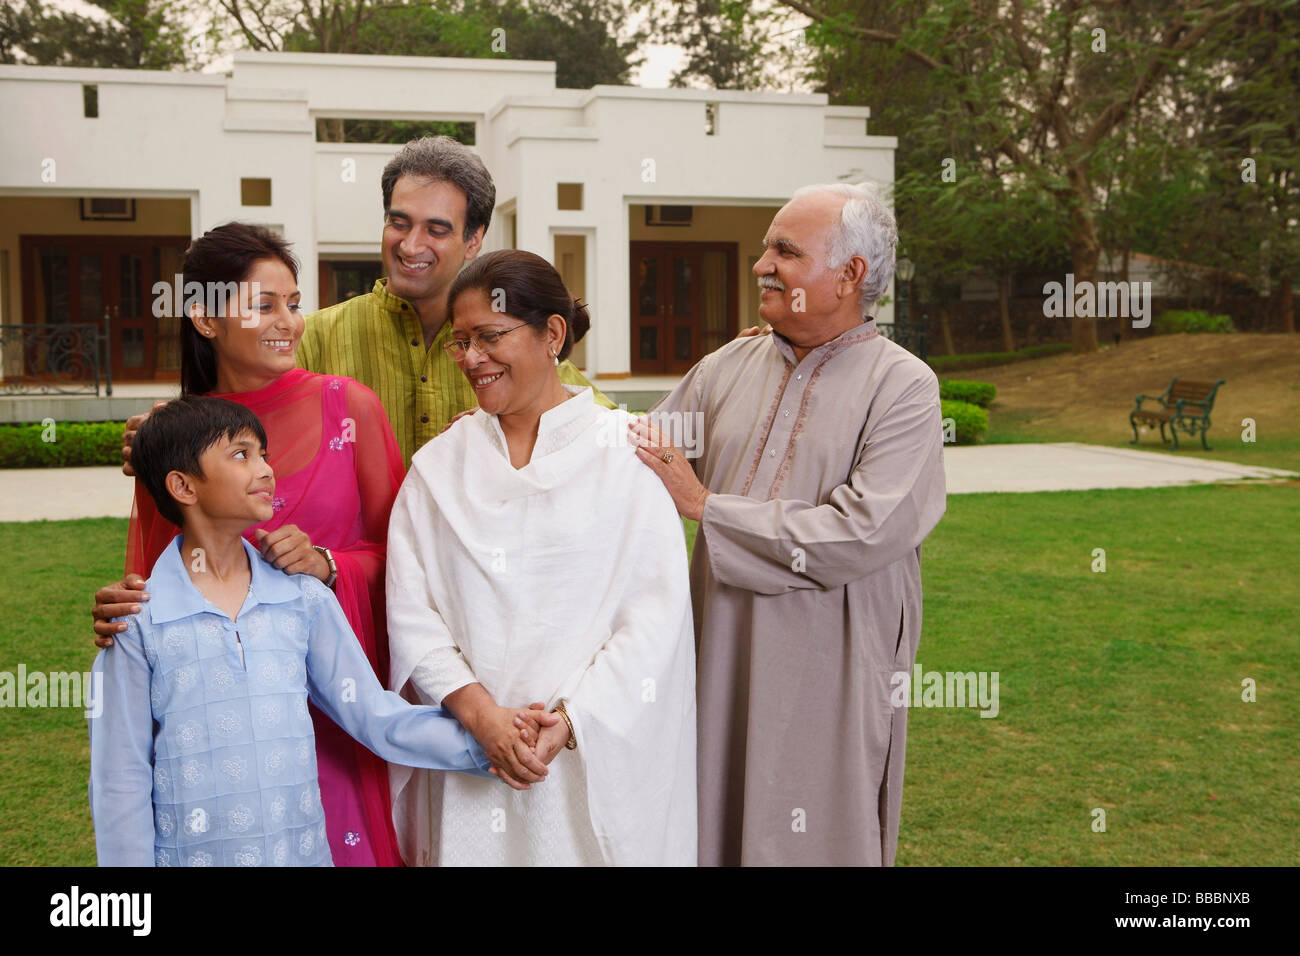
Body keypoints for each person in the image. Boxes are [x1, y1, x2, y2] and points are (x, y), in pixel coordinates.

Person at [91, 223, 492, 866]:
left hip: (339, 708)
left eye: (294, 302)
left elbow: (409, 563)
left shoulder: (348, 409)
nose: (289, 321)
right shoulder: (169, 441)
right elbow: (151, 591)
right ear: (204, 319)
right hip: (207, 743)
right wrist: (121, 607)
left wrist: (330, 566)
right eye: (264, 304)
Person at [629, 182, 947, 866]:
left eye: (785, 250)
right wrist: (528, 417)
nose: (760, 265)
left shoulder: (904, 386)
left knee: (814, 815)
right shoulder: (730, 364)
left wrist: (706, 507)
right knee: (709, 799)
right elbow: (636, 447)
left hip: (830, 653)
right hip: (720, 640)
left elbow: (861, 532)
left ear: (850, 276)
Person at [385, 249, 697, 866]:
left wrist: (571, 722)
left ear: (552, 333)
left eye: (490, 336)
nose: (472, 358)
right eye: (460, 341)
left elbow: (654, 620)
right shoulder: (440, 466)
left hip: (585, 755)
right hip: (470, 749)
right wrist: (483, 717)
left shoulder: (623, 459)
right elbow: (410, 607)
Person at [296, 135, 615, 466]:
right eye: (399, 223)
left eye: (435, 230)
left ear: (473, 240)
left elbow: (606, 427)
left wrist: (510, 422)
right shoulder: (312, 339)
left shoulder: (510, 341)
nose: (410, 246)